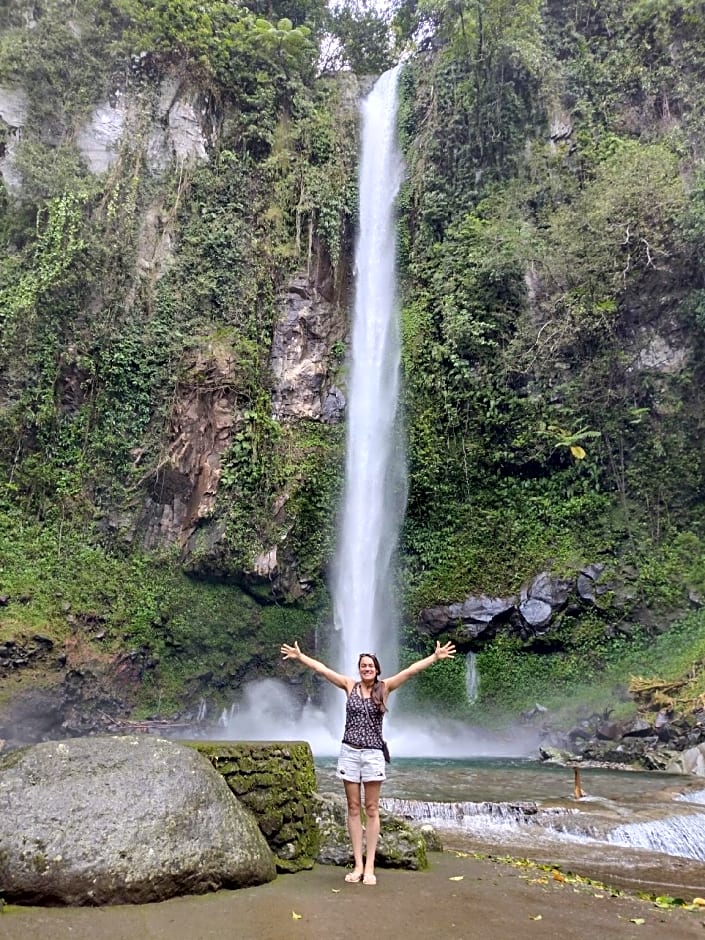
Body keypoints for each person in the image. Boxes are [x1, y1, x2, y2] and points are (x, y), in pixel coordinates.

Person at [280, 639, 456, 886]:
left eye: (370, 665)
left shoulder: (385, 688)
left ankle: (370, 866)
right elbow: (322, 670)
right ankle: (358, 865)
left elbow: (410, 671)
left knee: (371, 809)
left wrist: (434, 657)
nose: (366, 669)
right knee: (353, 808)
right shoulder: (349, 685)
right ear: (359, 669)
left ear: (377, 669)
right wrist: (300, 657)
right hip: (349, 752)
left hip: (373, 754)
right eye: (363, 665)